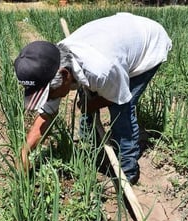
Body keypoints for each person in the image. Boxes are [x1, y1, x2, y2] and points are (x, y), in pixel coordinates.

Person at [14, 12, 172, 185]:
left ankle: (128, 170)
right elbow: (46, 115)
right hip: (116, 39)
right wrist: (25, 151)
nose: (49, 99)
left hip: (148, 44)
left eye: (48, 94)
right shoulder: (53, 64)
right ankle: (91, 142)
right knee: (89, 93)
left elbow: (121, 97)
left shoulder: (102, 70)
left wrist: (94, 103)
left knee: (121, 111)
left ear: (65, 75)